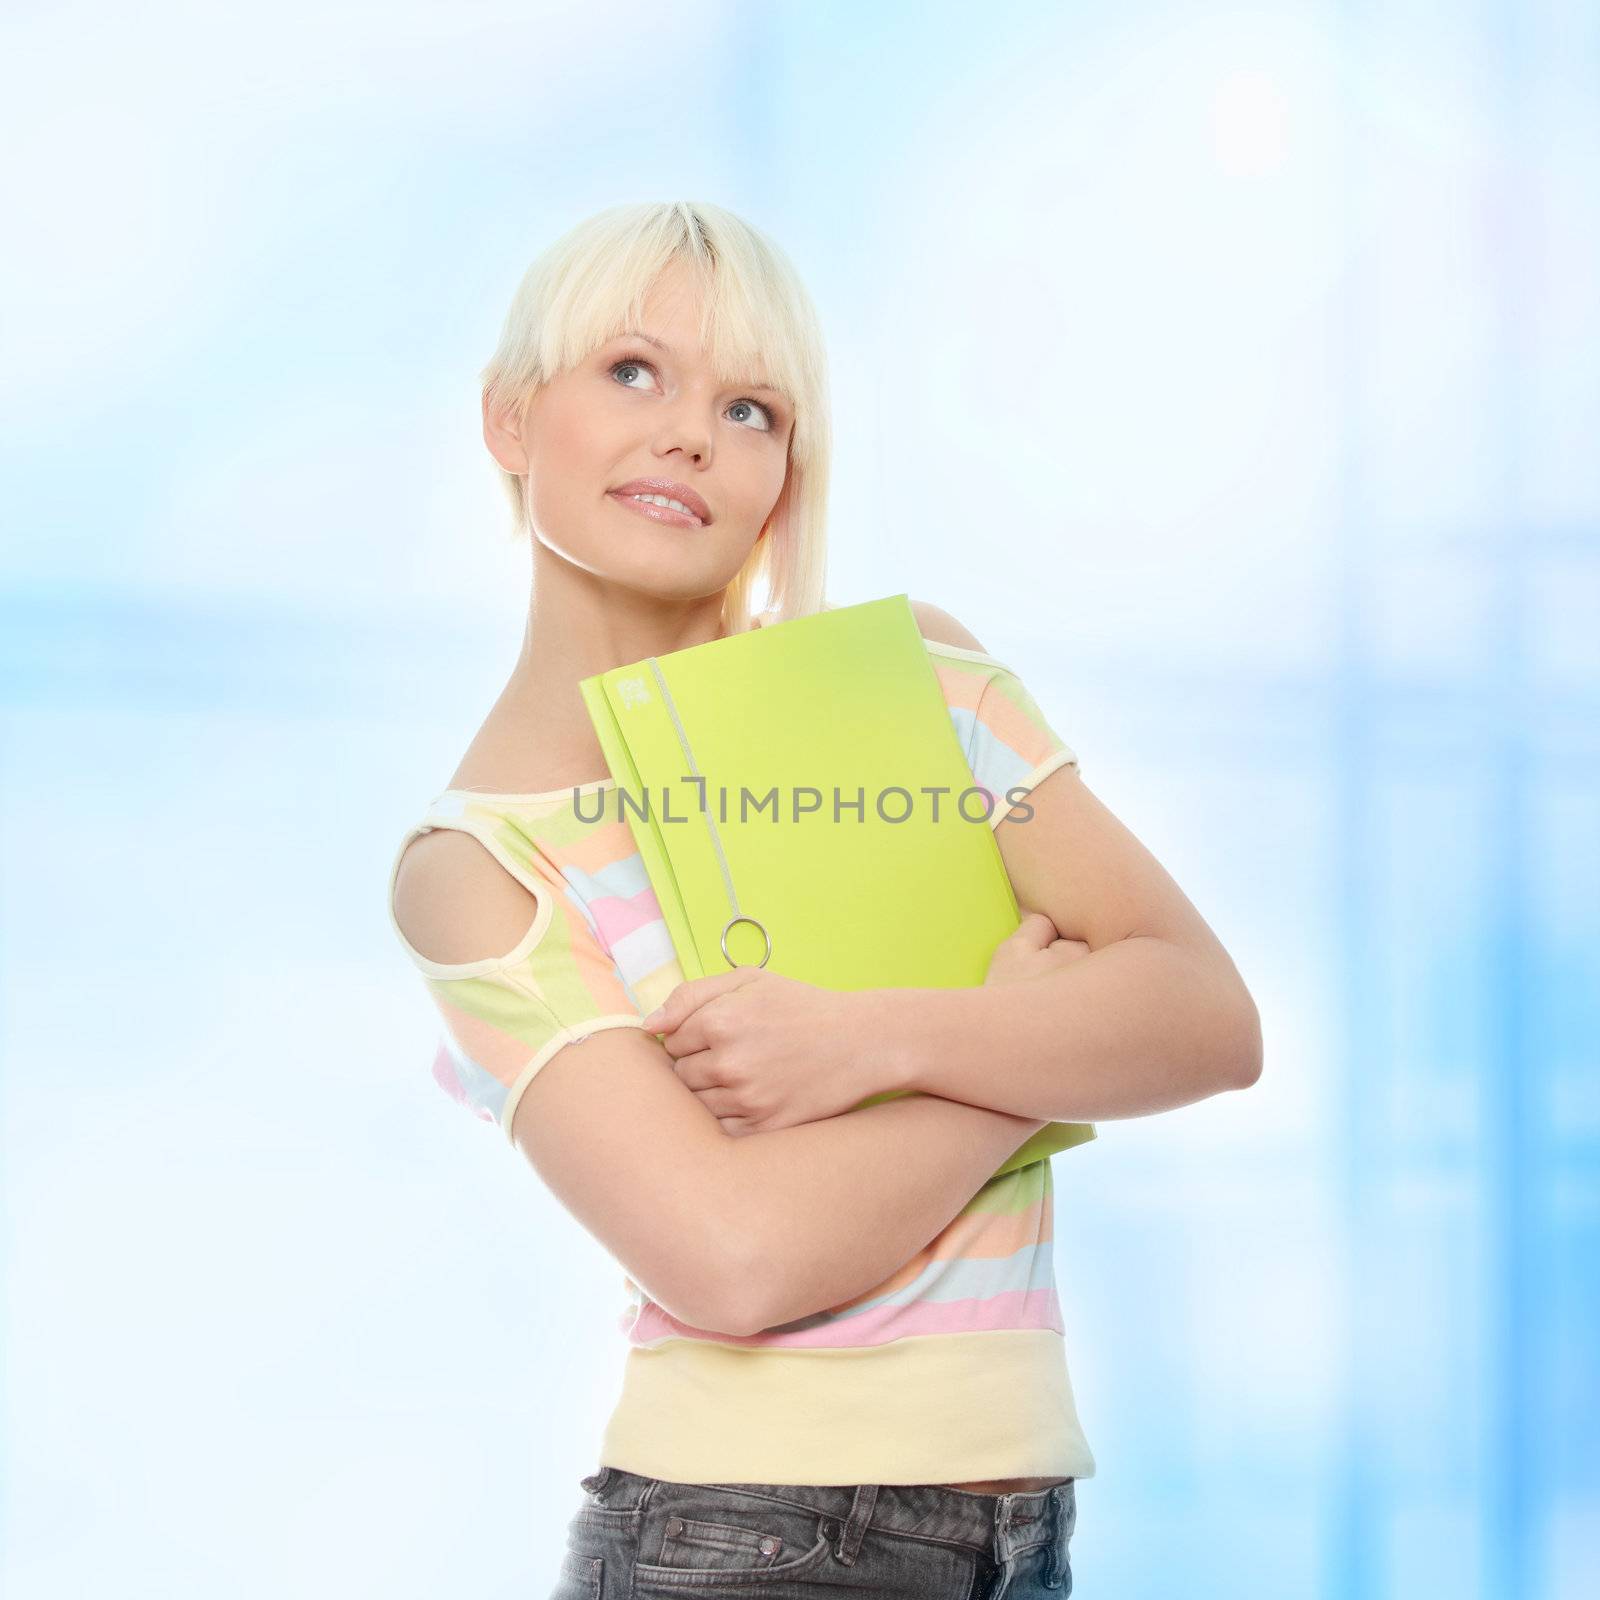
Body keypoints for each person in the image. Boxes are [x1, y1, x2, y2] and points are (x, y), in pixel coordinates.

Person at [386, 200, 1262, 1598]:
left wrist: (883, 1040)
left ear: (790, 470)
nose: (689, 432)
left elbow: (1206, 1019)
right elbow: (734, 1260)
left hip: (1021, 1533)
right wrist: (1022, 1048)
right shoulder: (482, 864)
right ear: (509, 419)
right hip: (734, 1544)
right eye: (632, 372)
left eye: (752, 406)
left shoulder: (912, 682)